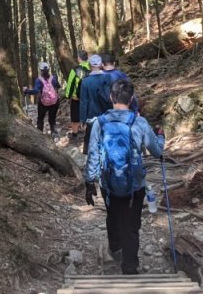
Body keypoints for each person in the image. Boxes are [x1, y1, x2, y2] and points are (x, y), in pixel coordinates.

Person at [84, 78, 164, 275]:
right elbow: (156, 151)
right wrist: (161, 136)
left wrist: (89, 182)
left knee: (112, 215)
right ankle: (129, 267)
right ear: (132, 98)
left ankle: (115, 249)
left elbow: (93, 154)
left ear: (111, 97)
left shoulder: (99, 123)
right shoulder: (140, 122)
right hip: (134, 185)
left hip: (108, 183)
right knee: (131, 225)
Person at [78, 54, 112, 153]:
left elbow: (84, 102)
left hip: (92, 117)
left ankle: (92, 164)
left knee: (91, 144)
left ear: (89, 66)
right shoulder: (108, 78)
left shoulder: (85, 81)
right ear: (101, 64)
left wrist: (82, 119)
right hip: (107, 115)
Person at [24, 62, 63, 140]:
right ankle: (55, 135)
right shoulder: (54, 78)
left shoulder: (39, 80)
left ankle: (40, 136)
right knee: (52, 119)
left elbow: (35, 91)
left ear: (40, 70)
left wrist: (27, 91)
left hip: (43, 103)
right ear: (48, 69)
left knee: (40, 119)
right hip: (54, 102)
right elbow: (58, 86)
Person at [64, 51, 91, 141]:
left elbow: (70, 84)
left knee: (75, 116)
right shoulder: (91, 69)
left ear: (79, 58)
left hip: (76, 98)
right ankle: (87, 132)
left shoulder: (75, 70)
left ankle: (75, 134)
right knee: (87, 114)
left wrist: (68, 95)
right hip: (88, 97)